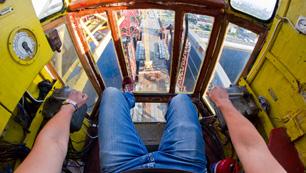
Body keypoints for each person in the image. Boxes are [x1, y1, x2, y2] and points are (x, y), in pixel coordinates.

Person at [15, 87, 286, 173]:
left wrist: (71, 104)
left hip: (123, 168)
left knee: (110, 94)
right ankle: (170, 107)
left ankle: (126, 97)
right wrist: (224, 102)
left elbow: (52, 146)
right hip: (186, 166)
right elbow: (252, 149)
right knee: (181, 99)